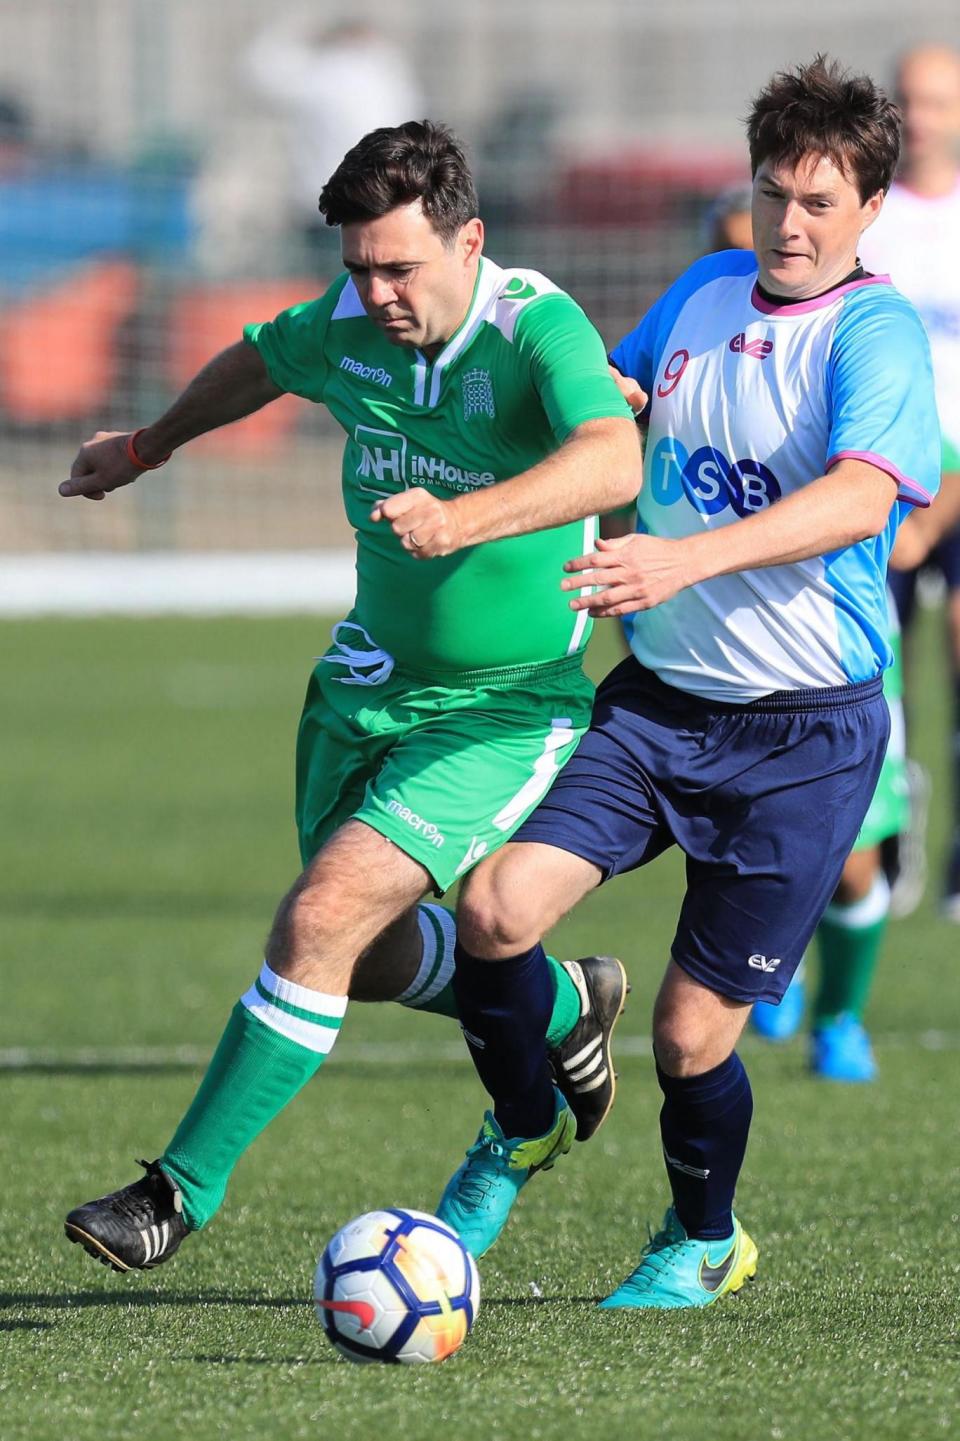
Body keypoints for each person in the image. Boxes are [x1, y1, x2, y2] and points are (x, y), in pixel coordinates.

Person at [60, 120, 642, 1274]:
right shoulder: (348, 324)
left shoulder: (535, 327)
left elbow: (612, 458)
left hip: (504, 706)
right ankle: (562, 1003)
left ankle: (176, 1191)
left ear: (468, 240)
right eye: (358, 267)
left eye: (400, 267)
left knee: (318, 917)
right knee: (354, 954)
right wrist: (149, 444)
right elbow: (259, 358)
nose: (375, 292)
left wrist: (460, 517)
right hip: (365, 689)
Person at [431, 57, 940, 1308]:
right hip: (660, 706)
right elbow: (616, 402)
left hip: (806, 736)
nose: (791, 224)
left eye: (821, 201)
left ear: (872, 208)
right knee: (495, 909)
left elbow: (860, 497)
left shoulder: (878, 335)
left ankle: (703, 1236)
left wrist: (681, 557)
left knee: (688, 1036)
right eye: (773, 194)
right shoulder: (706, 287)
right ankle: (523, 1124)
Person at [858, 44, 960, 921]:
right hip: (883, 474)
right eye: (907, 99)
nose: (919, 115)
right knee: (872, 663)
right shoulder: (866, 215)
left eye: (935, 100)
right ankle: (888, 835)